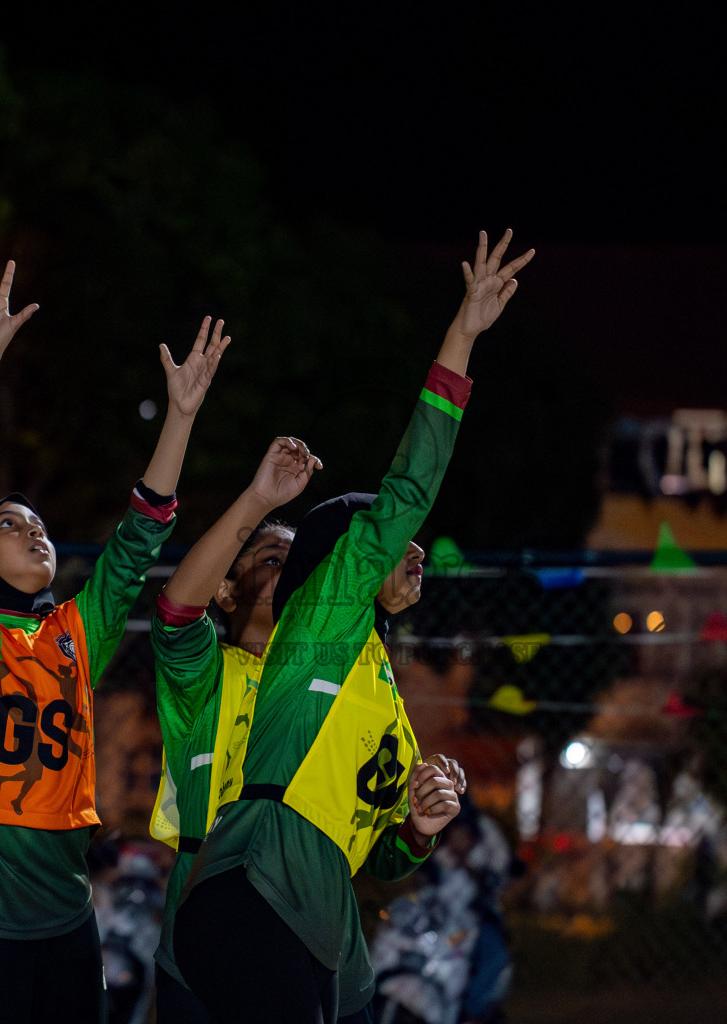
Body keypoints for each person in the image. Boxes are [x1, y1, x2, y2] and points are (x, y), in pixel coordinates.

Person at [174, 229, 534, 1023]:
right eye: (387, 539)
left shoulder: (388, 706)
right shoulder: (320, 624)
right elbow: (412, 483)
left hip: (321, 921)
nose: (413, 550)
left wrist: (420, 826)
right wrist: (463, 336)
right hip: (251, 892)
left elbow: (380, 857)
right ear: (345, 561)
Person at [0, 252, 230, 1024]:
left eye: (38, 524)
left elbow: (139, 539)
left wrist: (181, 416)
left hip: (66, 921)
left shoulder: (77, 632)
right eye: (10, 526)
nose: (33, 531)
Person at [147, 438, 320, 1023]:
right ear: (225, 589)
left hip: (300, 913)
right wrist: (258, 498)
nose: (289, 574)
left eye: (299, 566)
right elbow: (174, 612)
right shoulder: (205, 674)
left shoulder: (325, 688)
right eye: (273, 560)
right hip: (202, 911)